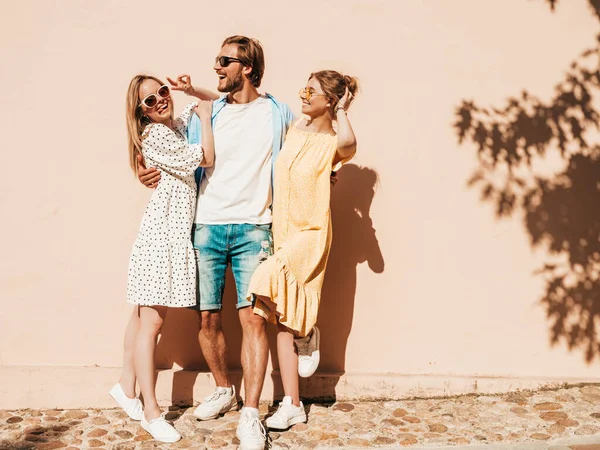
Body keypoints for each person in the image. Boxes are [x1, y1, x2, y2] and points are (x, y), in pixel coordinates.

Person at [137, 36, 294, 450]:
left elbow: (303, 148)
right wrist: (142, 169)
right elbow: (165, 145)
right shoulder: (208, 112)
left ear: (248, 66)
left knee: (254, 320)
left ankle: (251, 414)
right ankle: (225, 389)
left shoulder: (277, 112)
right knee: (207, 320)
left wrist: (327, 171)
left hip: (255, 227)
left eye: (225, 61)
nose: (217, 67)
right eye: (217, 59)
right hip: (205, 226)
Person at [247, 70, 358, 430]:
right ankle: (292, 401)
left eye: (312, 90)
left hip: (310, 232)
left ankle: (307, 332)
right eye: (304, 87)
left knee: (265, 281)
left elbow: (350, 145)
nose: (304, 94)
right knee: (281, 315)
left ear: (329, 100)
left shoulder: (333, 144)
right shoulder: (295, 129)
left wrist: (343, 109)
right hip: (284, 230)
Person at [110, 74, 215, 443]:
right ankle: (152, 412)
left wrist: (189, 91)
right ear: (140, 113)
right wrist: (203, 121)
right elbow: (204, 157)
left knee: (141, 316)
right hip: (164, 234)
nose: (160, 101)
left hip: (166, 229)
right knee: (152, 323)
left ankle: (126, 385)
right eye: (149, 101)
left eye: (162, 93)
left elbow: (213, 100)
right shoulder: (155, 136)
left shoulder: (173, 126)